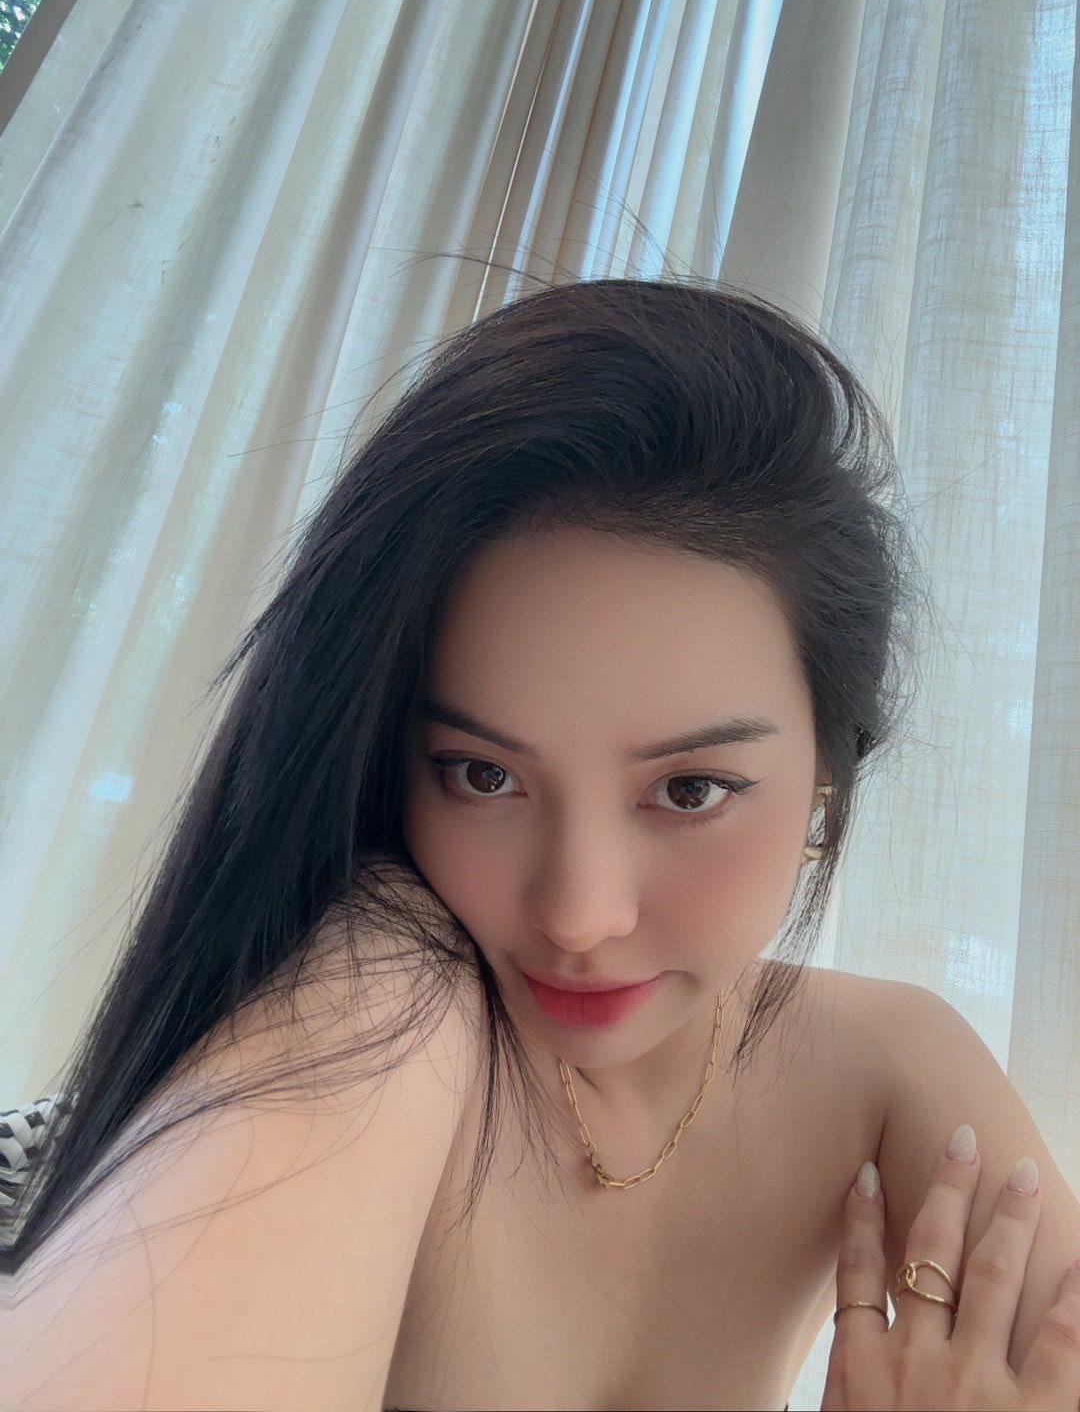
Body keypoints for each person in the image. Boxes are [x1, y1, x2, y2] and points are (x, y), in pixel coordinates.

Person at [6, 267, 1071, 1411]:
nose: (578, 913)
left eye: (692, 789)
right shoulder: (384, 984)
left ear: (826, 770)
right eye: (483, 775)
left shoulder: (883, 1063)